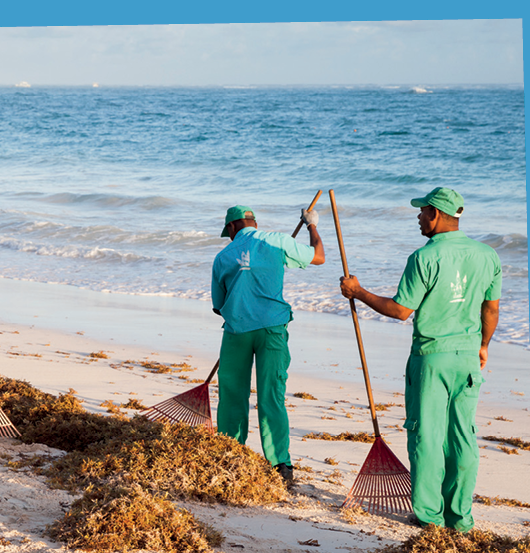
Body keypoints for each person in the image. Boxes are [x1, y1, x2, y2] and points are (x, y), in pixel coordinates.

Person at [339, 187, 501, 532]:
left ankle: (429, 515)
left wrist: (359, 292)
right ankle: (460, 517)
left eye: (422, 211)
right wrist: (484, 345)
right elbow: (491, 308)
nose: (418, 217)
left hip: (431, 358)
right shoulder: (488, 255)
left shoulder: (424, 258)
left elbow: (400, 310)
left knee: (426, 435)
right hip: (469, 358)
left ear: (437, 215)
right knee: (463, 436)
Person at [211, 205, 325, 483]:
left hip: (237, 331)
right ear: (253, 223)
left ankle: (230, 454)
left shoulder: (223, 256)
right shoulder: (278, 240)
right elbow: (319, 257)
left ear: (232, 228)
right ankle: (280, 466)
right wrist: (311, 225)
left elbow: (218, 306)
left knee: (232, 396)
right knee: (271, 395)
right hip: (272, 330)